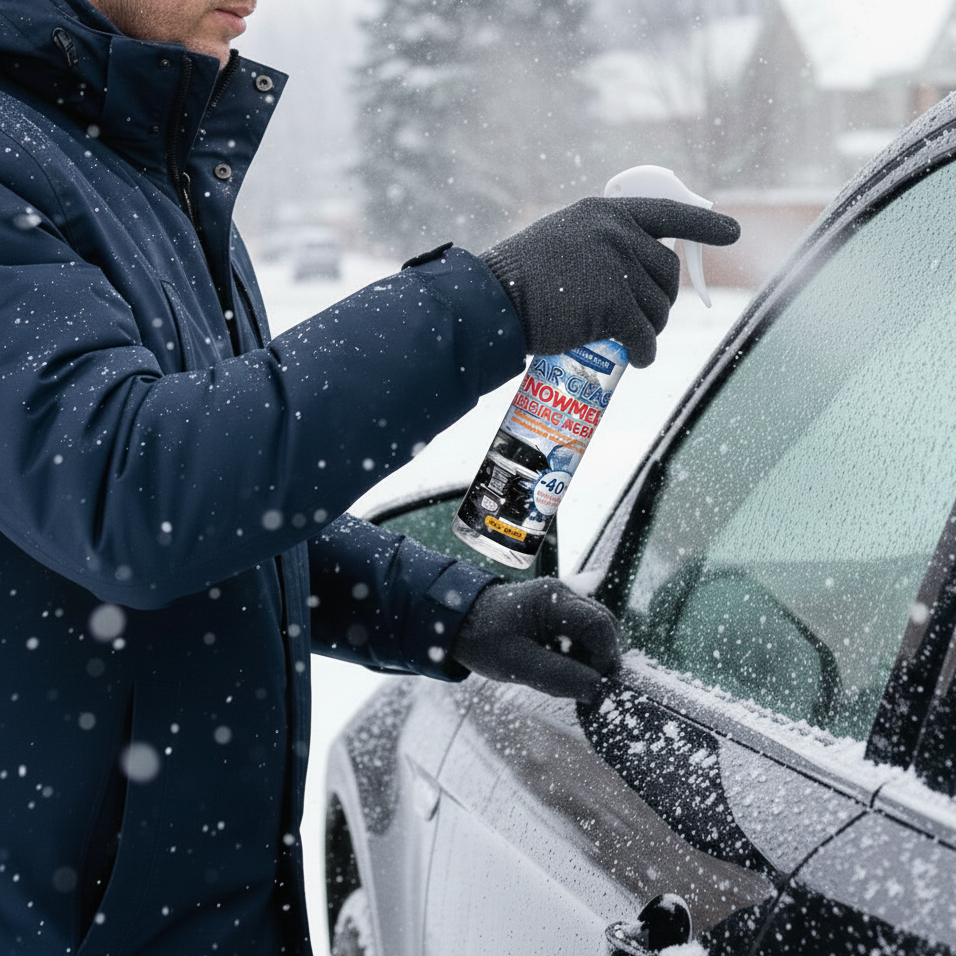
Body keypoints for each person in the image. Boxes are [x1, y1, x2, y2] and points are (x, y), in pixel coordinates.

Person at [0, 0, 740, 953]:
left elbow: (224, 515)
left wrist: (444, 609)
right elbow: (129, 490)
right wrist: (491, 303)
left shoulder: (137, 167)